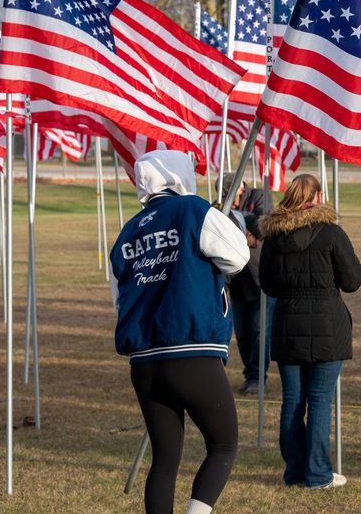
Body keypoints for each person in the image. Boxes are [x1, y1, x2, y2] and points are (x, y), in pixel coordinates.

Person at [110, 150, 249, 514]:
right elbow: (238, 255)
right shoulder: (191, 209)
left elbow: (120, 298)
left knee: (165, 459)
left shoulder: (127, 231)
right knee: (223, 445)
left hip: (144, 362)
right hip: (192, 351)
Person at [258, 174, 361, 490]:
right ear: (317, 196)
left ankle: (295, 471)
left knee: (292, 400)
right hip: (326, 323)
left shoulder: (274, 237)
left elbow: (268, 284)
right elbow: (353, 280)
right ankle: (317, 474)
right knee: (318, 400)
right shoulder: (331, 233)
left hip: (289, 321)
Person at [219, 172, 276, 395]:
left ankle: (257, 377)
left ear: (239, 189)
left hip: (261, 278)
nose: (227, 202)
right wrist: (244, 231)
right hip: (236, 281)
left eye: (228, 196)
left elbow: (263, 225)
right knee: (242, 335)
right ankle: (249, 373)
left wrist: (244, 225)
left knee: (260, 332)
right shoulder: (220, 206)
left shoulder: (259, 196)